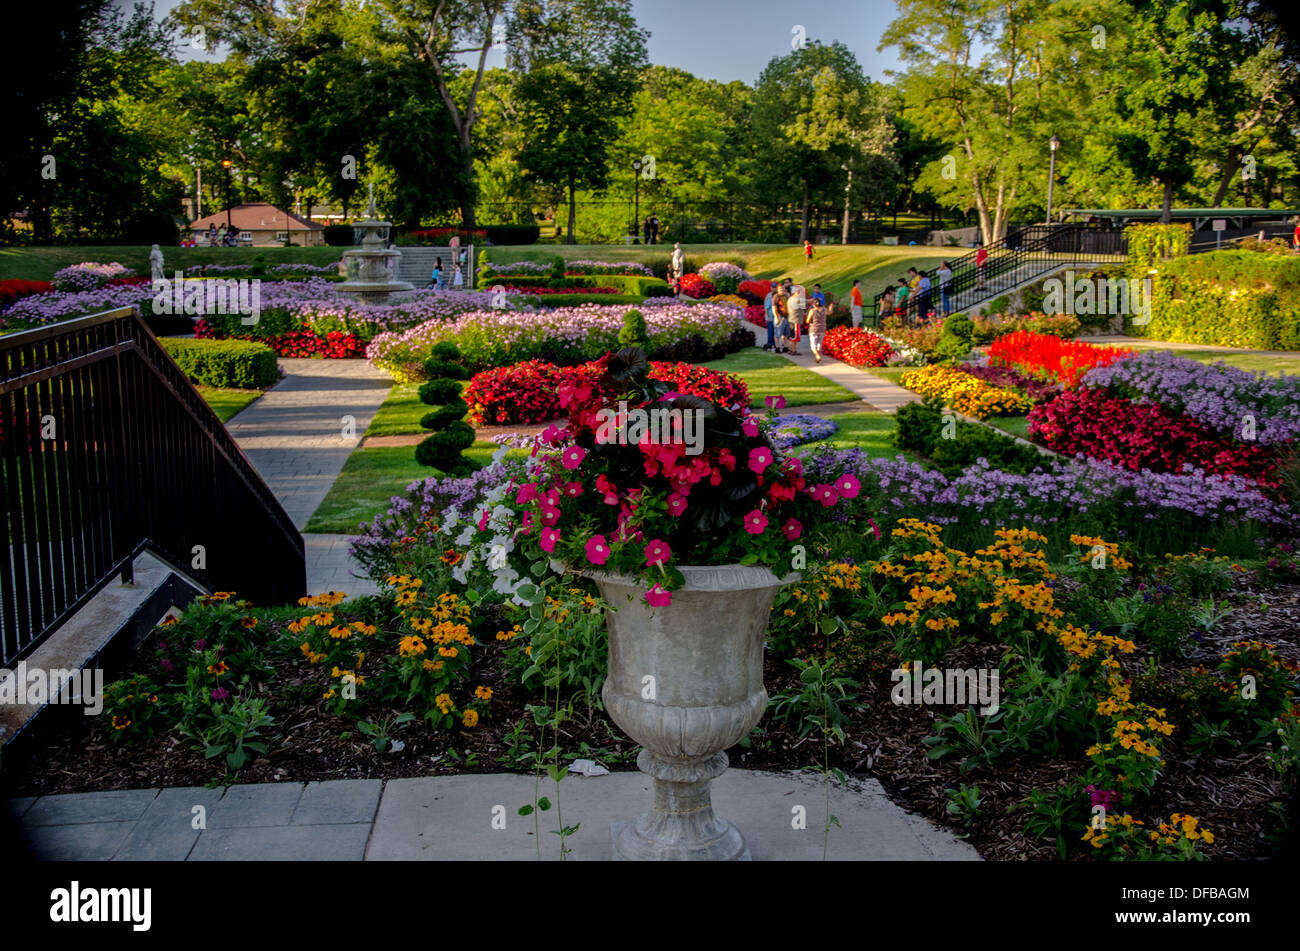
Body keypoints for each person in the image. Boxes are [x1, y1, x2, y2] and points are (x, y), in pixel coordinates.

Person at [807, 297, 827, 364]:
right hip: (822, 328)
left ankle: (817, 355)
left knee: (813, 344)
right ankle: (817, 356)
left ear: (814, 304)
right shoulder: (824, 310)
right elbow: (830, 312)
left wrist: (809, 321)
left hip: (814, 329)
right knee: (819, 343)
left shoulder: (812, 311)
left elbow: (807, 320)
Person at [762, 286, 777, 350]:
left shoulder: (776, 297)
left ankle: (774, 343)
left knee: (774, 331)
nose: (774, 288)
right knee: (770, 331)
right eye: (773, 287)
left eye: (775, 287)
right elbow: (766, 308)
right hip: (770, 317)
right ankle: (770, 343)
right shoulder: (769, 297)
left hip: (775, 317)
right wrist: (767, 317)